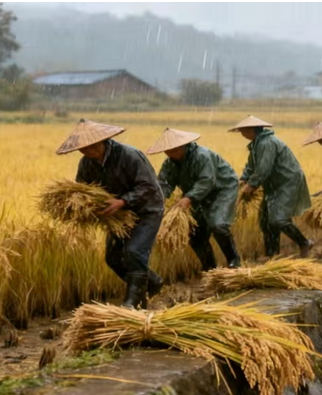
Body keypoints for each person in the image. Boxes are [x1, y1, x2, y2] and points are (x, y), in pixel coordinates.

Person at [57, 119, 164, 309]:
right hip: (118, 216)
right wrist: (85, 206)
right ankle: (152, 283)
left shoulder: (129, 155)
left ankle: (131, 302)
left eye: (92, 146)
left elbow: (148, 186)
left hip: (147, 209)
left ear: (103, 140)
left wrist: (123, 201)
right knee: (113, 258)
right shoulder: (86, 164)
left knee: (134, 252)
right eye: (83, 149)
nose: (89, 151)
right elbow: (83, 191)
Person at [151, 128, 241, 271]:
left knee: (218, 225)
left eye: (173, 149)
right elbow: (164, 184)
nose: (170, 153)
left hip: (222, 190)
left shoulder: (202, 156)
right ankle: (210, 269)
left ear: (183, 145)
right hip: (196, 195)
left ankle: (234, 261)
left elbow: (206, 181)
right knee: (195, 233)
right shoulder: (170, 164)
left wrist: (189, 198)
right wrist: (158, 200)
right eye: (167, 150)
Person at [230, 115, 313, 258]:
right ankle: (272, 255)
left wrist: (252, 185)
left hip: (287, 182)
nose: (242, 134)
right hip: (273, 185)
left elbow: (264, 168)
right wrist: (244, 179)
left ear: (252, 130)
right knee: (265, 221)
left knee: (278, 219)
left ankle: (304, 242)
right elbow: (251, 166)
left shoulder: (267, 143)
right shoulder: (256, 144)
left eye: (243, 130)